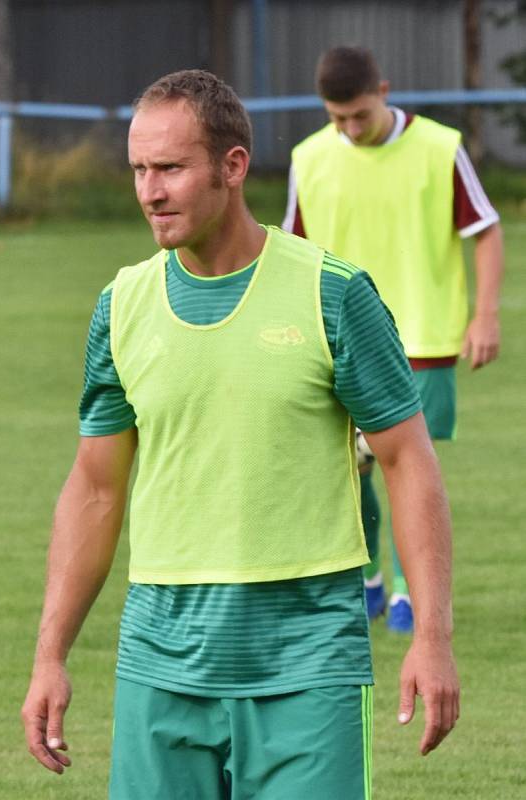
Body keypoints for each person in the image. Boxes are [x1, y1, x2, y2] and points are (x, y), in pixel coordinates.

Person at [21, 69, 459, 799]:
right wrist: (49, 656)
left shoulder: (333, 294)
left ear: (232, 166)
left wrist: (432, 638)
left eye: (170, 168)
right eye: (138, 169)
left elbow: (408, 462)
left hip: (305, 658)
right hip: (161, 659)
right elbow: (96, 490)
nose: (149, 192)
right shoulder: (120, 306)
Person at [283, 46, 504, 633]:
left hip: (423, 340)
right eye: (337, 119)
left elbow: (485, 230)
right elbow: (291, 254)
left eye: (359, 114)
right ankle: (370, 581)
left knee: (409, 469)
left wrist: (484, 315)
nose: (350, 129)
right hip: (339, 344)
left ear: (383, 91)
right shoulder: (308, 159)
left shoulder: (439, 147)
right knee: (346, 471)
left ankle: (409, 594)